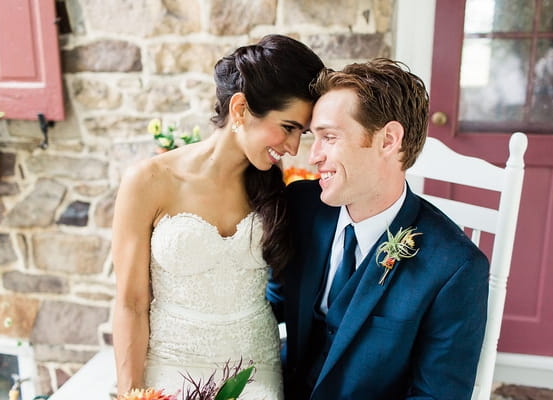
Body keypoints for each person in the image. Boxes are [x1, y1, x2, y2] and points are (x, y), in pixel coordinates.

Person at [111, 34, 324, 399]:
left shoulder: (278, 192)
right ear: (240, 110)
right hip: (169, 363)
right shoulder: (147, 181)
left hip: (255, 369)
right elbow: (131, 303)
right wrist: (131, 393)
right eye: (288, 128)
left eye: (301, 133)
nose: (292, 148)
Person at [268, 58, 489, 399]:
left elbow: (435, 396)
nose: (313, 157)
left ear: (388, 140)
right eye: (315, 138)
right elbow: (269, 305)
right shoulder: (302, 206)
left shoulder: (455, 269)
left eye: (329, 137)